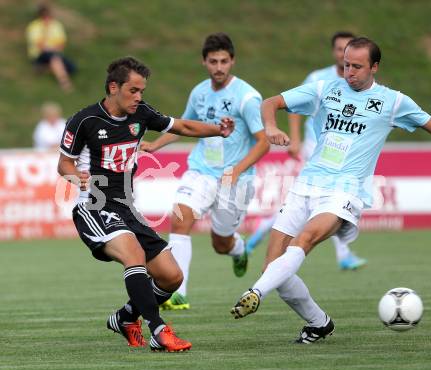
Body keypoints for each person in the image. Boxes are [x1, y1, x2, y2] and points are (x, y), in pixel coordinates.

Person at [231, 37, 431, 344]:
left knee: (304, 240)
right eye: (346, 65)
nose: (349, 72)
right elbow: (270, 103)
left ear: (375, 67)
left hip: (346, 191)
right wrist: (272, 127)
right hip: (307, 184)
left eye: (357, 66)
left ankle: (255, 292)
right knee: (272, 267)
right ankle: (319, 323)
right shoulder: (325, 89)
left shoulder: (393, 102)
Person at [57, 56, 234, 352]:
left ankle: (126, 317)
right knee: (135, 255)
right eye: (133, 90)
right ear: (114, 87)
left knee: (171, 276)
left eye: (142, 91)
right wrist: (77, 177)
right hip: (94, 206)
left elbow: (183, 127)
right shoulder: (85, 120)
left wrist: (219, 130)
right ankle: (159, 330)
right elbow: (64, 164)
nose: (139, 97)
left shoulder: (141, 115)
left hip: (126, 208)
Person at [142, 33, 270, 310]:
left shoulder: (247, 97)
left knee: (220, 243)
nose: (219, 67)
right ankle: (178, 293)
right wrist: (155, 145)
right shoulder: (199, 92)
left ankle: (239, 248)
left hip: (235, 180)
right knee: (180, 218)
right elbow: (184, 126)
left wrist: (236, 171)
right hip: (200, 171)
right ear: (204, 62)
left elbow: (263, 142)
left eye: (224, 61)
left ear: (233, 61)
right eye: (213, 61)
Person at [245, 31, 367, 271]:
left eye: (348, 49)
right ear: (334, 52)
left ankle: (263, 227)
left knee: (315, 205)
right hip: (317, 147)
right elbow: (293, 106)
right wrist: (296, 139)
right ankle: (344, 255)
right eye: (339, 49)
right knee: (330, 201)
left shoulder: (358, 81)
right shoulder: (318, 78)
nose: (343, 54)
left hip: (345, 152)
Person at [26, 4, 76, 92]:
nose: (46, 18)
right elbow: (39, 45)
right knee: (54, 58)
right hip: (39, 55)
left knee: (72, 68)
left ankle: (44, 68)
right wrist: (51, 48)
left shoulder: (56, 25)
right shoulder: (34, 26)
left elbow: (62, 43)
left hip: (56, 52)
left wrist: (52, 48)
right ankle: (64, 82)